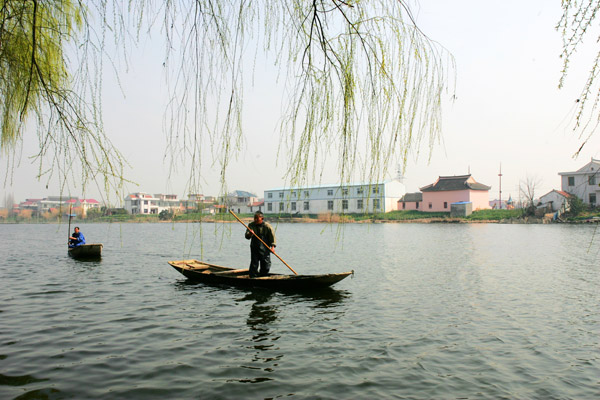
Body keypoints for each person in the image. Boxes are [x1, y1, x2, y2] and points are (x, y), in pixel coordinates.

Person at [245, 211, 276, 278]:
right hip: (255, 248)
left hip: (265, 248)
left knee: (266, 264)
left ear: (262, 218)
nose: (255, 220)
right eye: (254, 218)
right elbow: (247, 237)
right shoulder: (251, 225)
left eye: (257, 218)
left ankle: (263, 277)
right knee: (254, 264)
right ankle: (253, 277)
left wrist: (272, 247)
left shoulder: (267, 226)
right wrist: (250, 234)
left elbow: (272, 238)